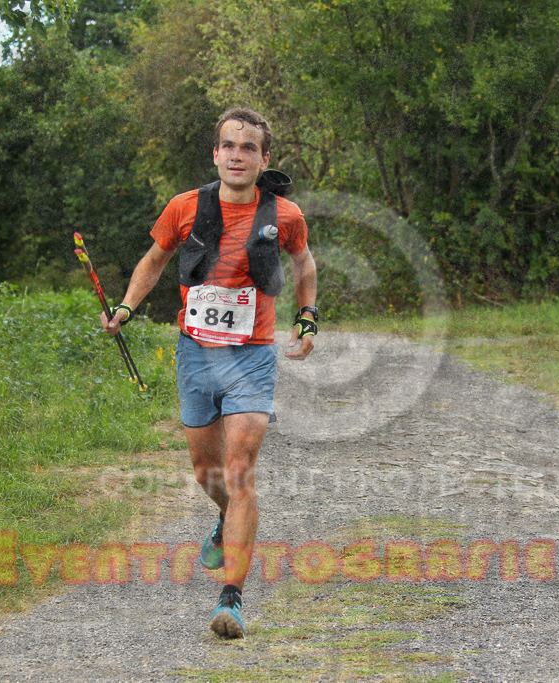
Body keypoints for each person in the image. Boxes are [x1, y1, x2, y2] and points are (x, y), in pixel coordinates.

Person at [101, 107, 318, 639]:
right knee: (207, 473)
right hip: (196, 352)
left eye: (249, 148)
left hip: (252, 355)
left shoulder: (284, 214)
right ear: (216, 154)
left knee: (239, 470)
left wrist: (307, 316)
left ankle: (232, 598)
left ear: (264, 159)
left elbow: (304, 264)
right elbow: (154, 260)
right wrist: (126, 307)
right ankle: (224, 519)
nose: (237, 156)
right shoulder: (185, 207)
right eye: (229, 146)